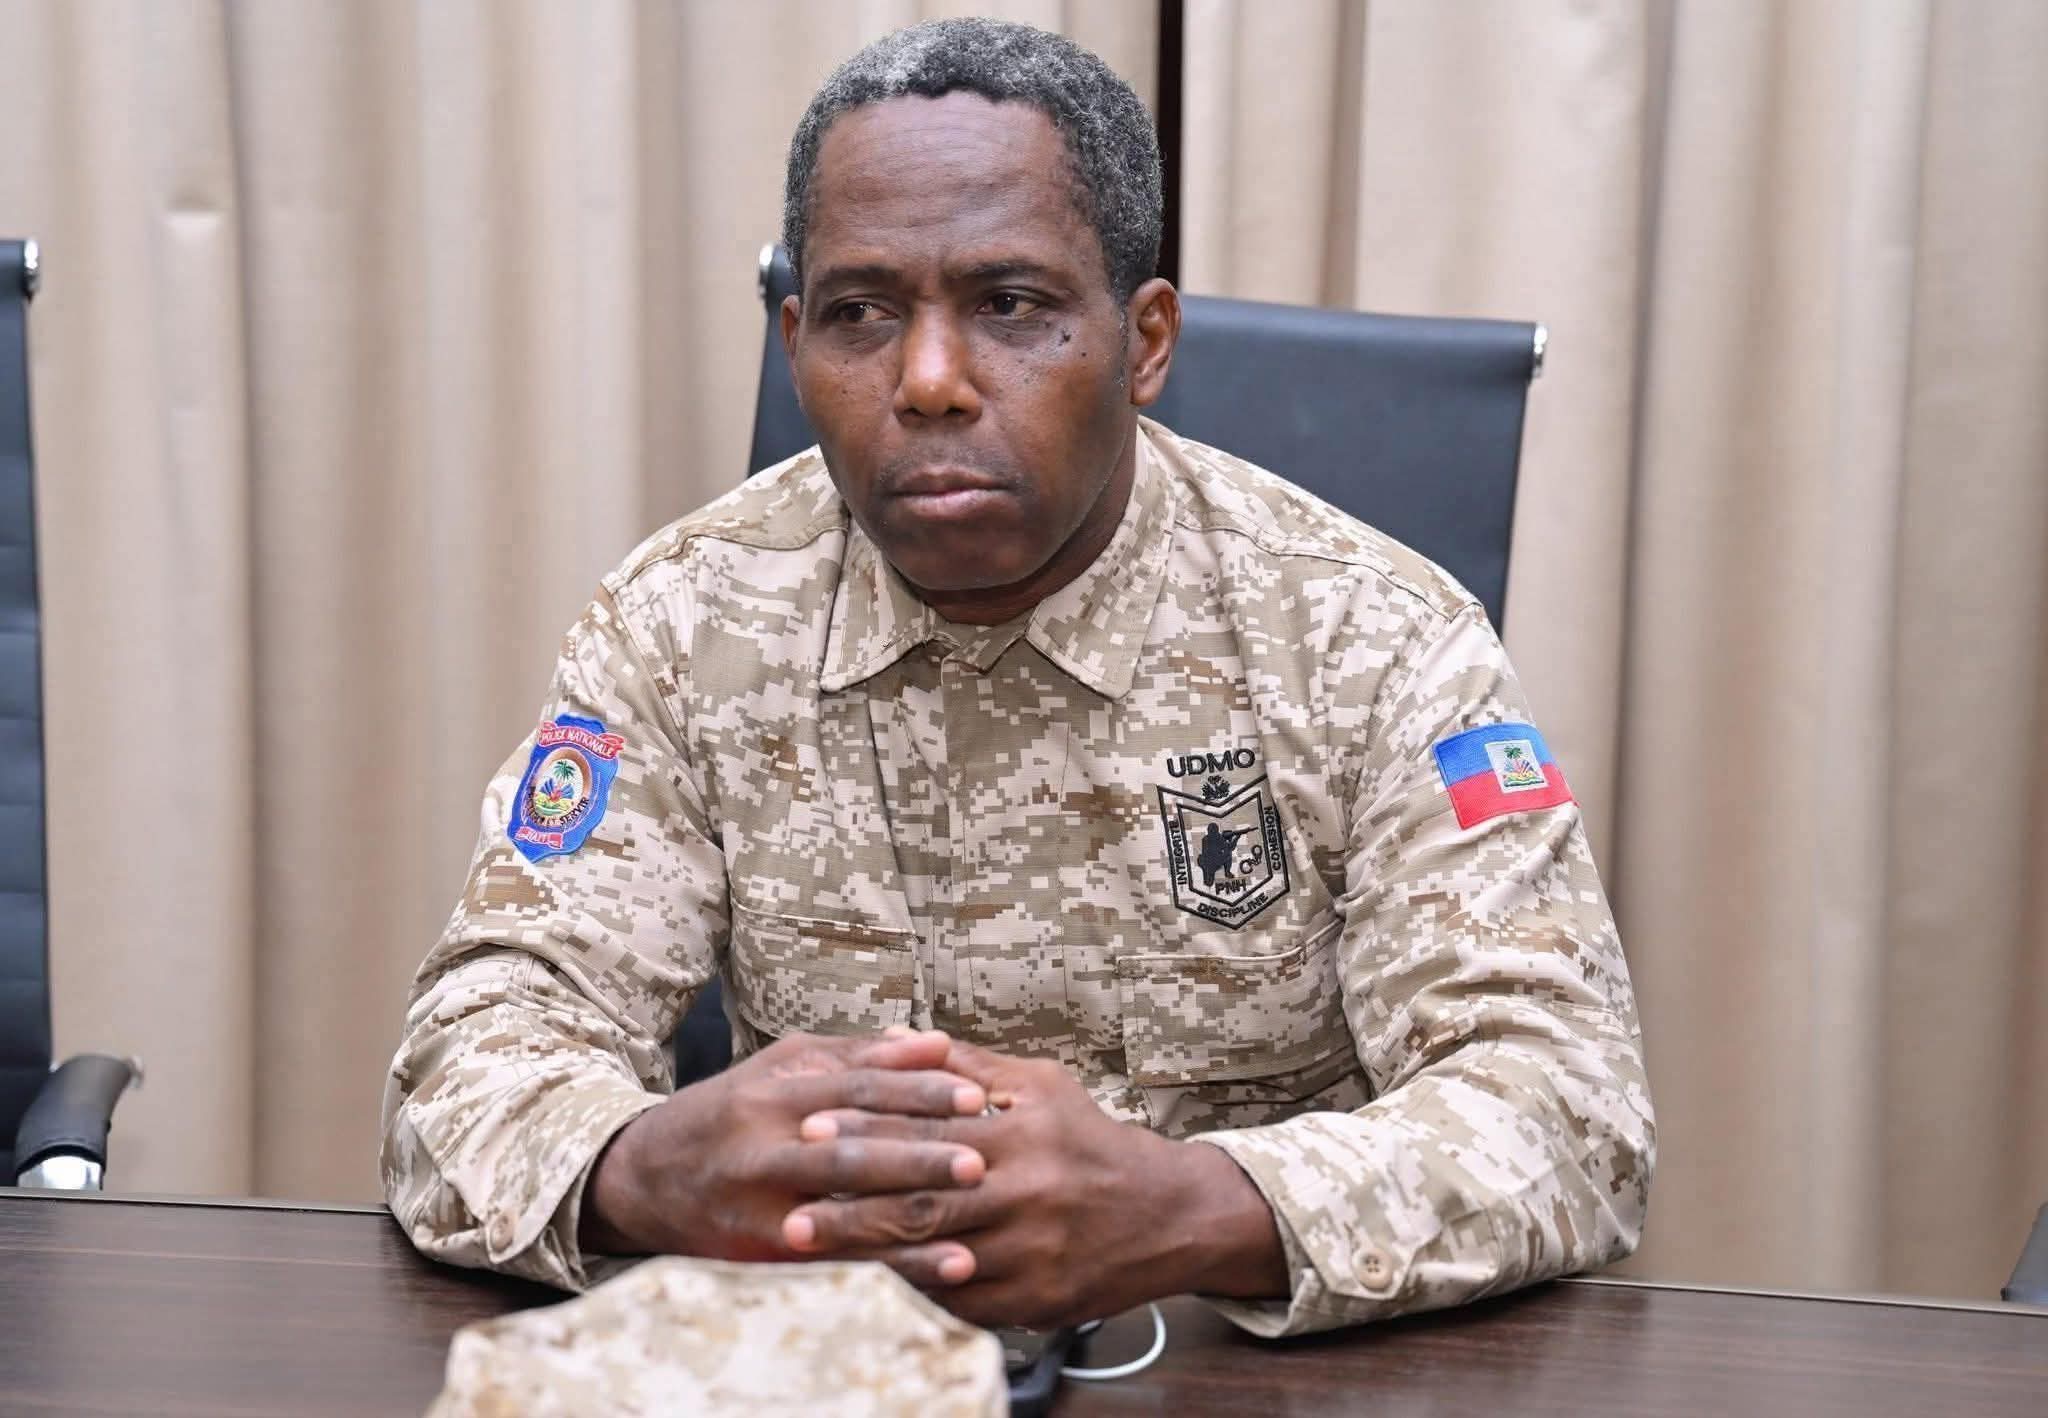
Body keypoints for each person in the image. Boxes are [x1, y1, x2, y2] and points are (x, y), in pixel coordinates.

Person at [381, 17, 1654, 1338]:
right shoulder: (680, 622)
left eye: (1011, 305)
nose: (929, 380)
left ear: (1145, 339)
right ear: (794, 338)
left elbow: (1565, 1106)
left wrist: (1203, 1208)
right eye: (862, 314)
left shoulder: (1377, 638)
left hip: (1238, 1377)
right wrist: (643, 1169)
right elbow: (466, 1061)